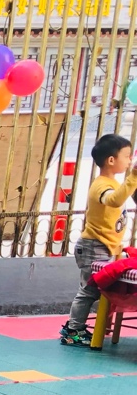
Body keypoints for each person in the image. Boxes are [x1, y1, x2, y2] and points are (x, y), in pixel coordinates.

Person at [62, 133, 137, 346]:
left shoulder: (112, 182)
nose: (129, 160)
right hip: (93, 245)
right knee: (89, 290)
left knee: (98, 289)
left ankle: (82, 327)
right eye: (127, 156)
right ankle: (73, 330)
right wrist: (133, 176)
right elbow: (114, 201)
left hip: (105, 246)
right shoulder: (101, 185)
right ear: (111, 160)